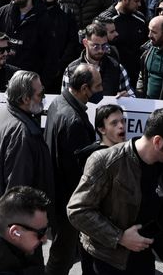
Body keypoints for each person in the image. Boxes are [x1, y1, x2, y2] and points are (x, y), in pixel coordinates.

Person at [69, 106, 163, 275]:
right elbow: (77, 210)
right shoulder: (106, 161)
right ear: (157, 141)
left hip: (143, 257)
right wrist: (119, 237)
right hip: (106, 259)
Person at [44, 63, 101, 275]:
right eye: (98, 86)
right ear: (85, 88)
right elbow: (78, 168)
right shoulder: (73, 121)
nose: (100, 90)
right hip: (68, 199)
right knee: (62, 256)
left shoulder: (59, 101)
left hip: (57, 192)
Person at [0, 70, 54, 222]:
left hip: (1, 213)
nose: (43, 98)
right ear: (26, 99)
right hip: (16, 222)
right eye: (40, 94)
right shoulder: (22, 134)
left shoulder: (1, 113)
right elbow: (18, 189)